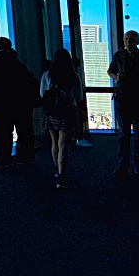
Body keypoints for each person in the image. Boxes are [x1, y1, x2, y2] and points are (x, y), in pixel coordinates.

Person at [0, 37, 37, 169]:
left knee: (1, 133)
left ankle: (3, 161)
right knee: (24, 131)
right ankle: (24, 158)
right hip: (21, 103)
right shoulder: (16, 62)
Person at [107, 30, 139, 180]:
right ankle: (129, 165)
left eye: (131, 39)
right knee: (127, 134)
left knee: (135, 134)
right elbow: (110, 71)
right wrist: (116, 77)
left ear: (138, 41)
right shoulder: (120, 55)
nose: (128, 42)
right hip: (127, 97)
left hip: (135, 97)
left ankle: (134, 165)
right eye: (126, 39)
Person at [40, 48, 82, 188]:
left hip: (51, 112)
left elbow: (42, 94)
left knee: (54, 142)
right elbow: (79, 96)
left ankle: (57, 171)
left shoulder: (48, 74)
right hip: (68, 111)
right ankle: (62, 175)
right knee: (63, 144)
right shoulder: (73, 76)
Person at [72, 54, 94, 148]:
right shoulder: (75, 76)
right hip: (75, 103)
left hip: (68, 103)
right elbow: (79, 92)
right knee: (79, 120)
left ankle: (76, 137)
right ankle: (79, 138)